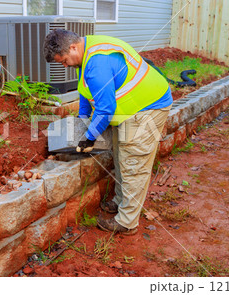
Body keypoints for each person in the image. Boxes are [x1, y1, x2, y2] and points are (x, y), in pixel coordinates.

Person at [43, 29, 173, 235]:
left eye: (64, 60)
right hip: (130, 108)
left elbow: (105, 109)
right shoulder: (86, 52)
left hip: (148, 106)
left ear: (72, 47)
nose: (64, 65)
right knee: (121, 154)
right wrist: (83, 119)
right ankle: (121, 201)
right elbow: (87, 90)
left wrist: (89, 137)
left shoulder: (97, 63)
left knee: (133, 162)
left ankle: (127, 222)